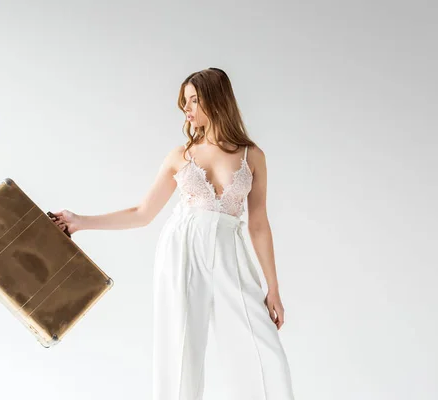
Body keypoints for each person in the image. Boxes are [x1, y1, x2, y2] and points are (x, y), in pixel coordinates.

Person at [52, 67, 295, 400]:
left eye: (194, 100)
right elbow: (142, 213)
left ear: (217, 98)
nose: (188, 109)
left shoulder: (253, 156)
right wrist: (80, 221)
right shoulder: (180, 156)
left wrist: (274, 288)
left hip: (229, 254)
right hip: (182, 250)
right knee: (179, 349)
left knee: (264, 349)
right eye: (185, 102)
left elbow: (258, 224)